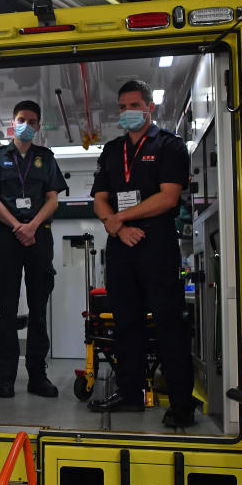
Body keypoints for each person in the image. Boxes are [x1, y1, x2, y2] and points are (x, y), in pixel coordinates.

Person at [88, 80, 196, 428]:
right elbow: (100, 198)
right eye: (122, 107)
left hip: (157, 243)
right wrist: (117, 226)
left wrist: (121, 218)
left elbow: (168, 197)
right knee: (126, 325)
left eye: (134, 105)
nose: (127, 112)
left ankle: (182, 405)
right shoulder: (111, 150)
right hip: (121, 245)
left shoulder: (170, 146)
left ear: (150, 107)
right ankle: (130, 393)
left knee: (169, 325)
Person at [0, 100, 67, 398]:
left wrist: (31, 227)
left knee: (39, 311)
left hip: (38, 236)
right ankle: (6, 378)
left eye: (31, 120)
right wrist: (17, 226)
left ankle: (37, 377)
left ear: (39, 126)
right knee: (6, 311)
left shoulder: (46, 158)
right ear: (11, 123)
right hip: (7, 237)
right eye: (20, 119)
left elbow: (53, 199)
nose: (25, 123)